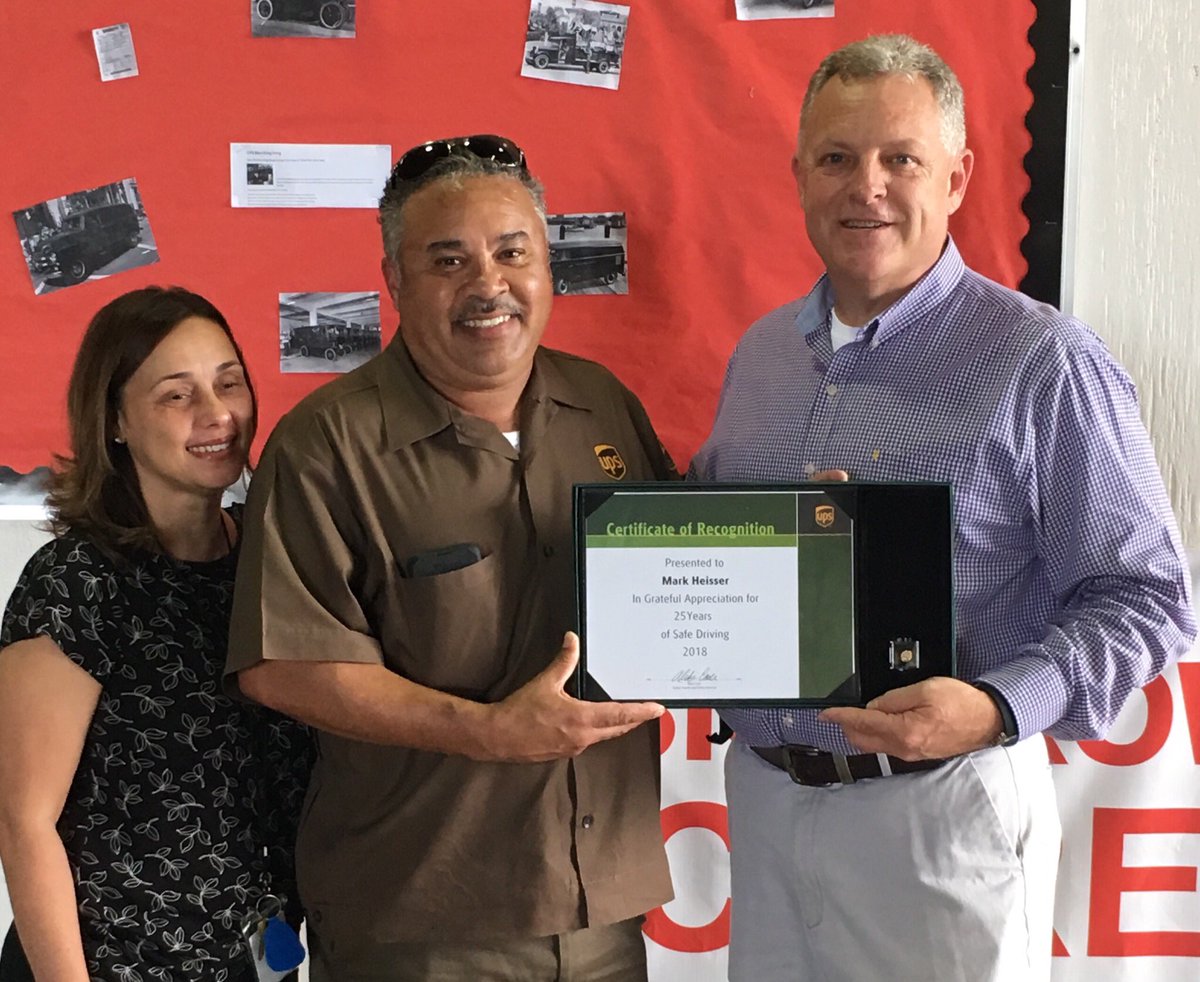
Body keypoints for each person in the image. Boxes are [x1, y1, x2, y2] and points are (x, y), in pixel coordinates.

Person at [688, 34, 1196, 982]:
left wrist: (998, 706)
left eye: (900, 159)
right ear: (799, 175)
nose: (865, 186)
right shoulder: (759, 358)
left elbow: (1150, 597)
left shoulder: (1044, 362)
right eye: (837, 158)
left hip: (938, 812)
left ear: (957, 178)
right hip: (762, 806)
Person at [226, 135, 675, 981]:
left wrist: (803, 539)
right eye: (448, 260)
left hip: (603, 916)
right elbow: (282, 665)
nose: (488, 285)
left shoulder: (605, 407)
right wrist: (490, 733)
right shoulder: (327, 445)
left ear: (548, 266)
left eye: (513, 253)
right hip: (422, 924)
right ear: (395, 280)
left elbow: (682, 583)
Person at [0, 287, 312, 981]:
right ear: (116, 420)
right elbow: (24, 825)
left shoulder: (267, 562)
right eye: (176, 395)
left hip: (254, 959)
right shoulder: (77, 581)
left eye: (229, 382)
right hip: (108, 966)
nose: (217, 415)